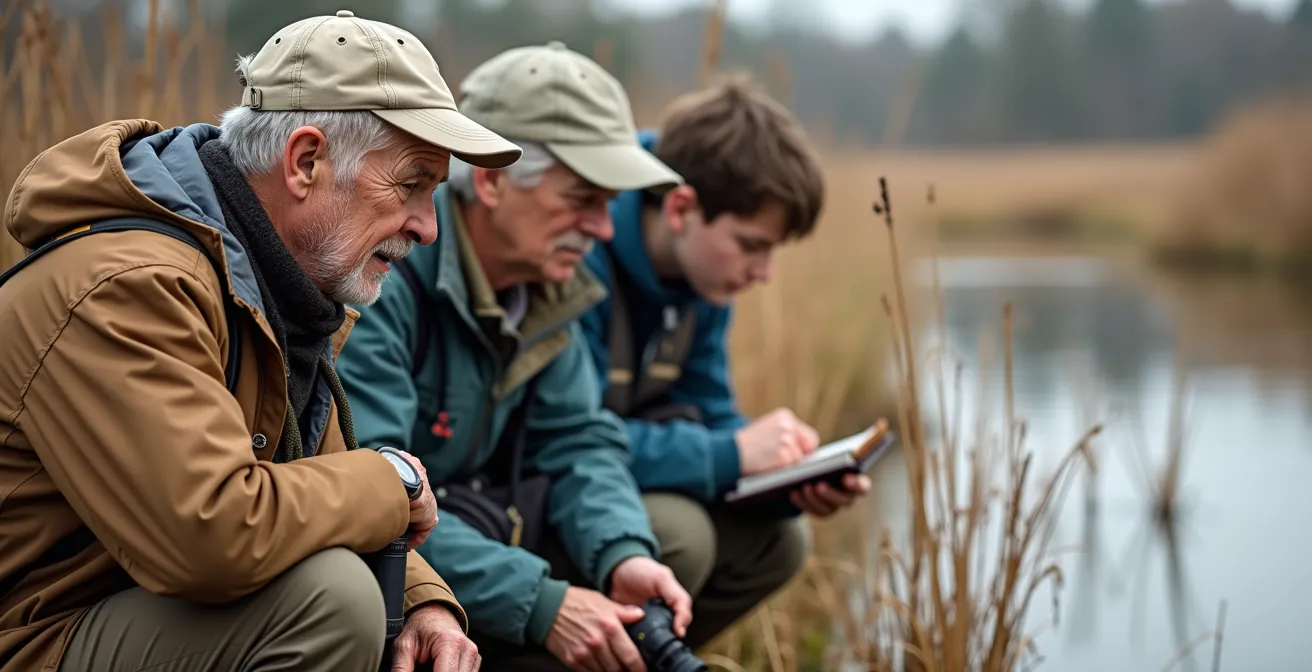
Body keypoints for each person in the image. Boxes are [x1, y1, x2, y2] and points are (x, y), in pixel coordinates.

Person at [0, 10, 524, 672]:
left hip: (131, 615)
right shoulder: (129, 286)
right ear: (306, 161)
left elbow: (308, 491)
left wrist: (425, 603)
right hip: (34, 636)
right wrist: (391, 476)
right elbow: (212, 535)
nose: (428, 227)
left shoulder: (279, 288)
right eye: (411, 184)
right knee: (332, 601)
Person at [335, 41, 696, 672]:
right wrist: (542, 603)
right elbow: (376, 492)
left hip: (478, 535)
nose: (606, 230)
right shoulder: (385, 272)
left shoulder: (551, 285)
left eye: (610, 204)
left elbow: (579, 440)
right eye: (583, 199)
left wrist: (623, 553)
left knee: (670, 545)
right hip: (391, 575)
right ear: (493, 179)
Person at [578, 75, 874, 648]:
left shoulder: (704, 278)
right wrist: (733, 453)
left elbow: (709, 409)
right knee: (682, 535)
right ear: (683, 207)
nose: (762, 274)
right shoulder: (581, 245)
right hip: (556, 492)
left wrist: (790, 479)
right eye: (751, 245)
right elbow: (566, 437)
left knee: (782, 538)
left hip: (616, 481)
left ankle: (643, 657)